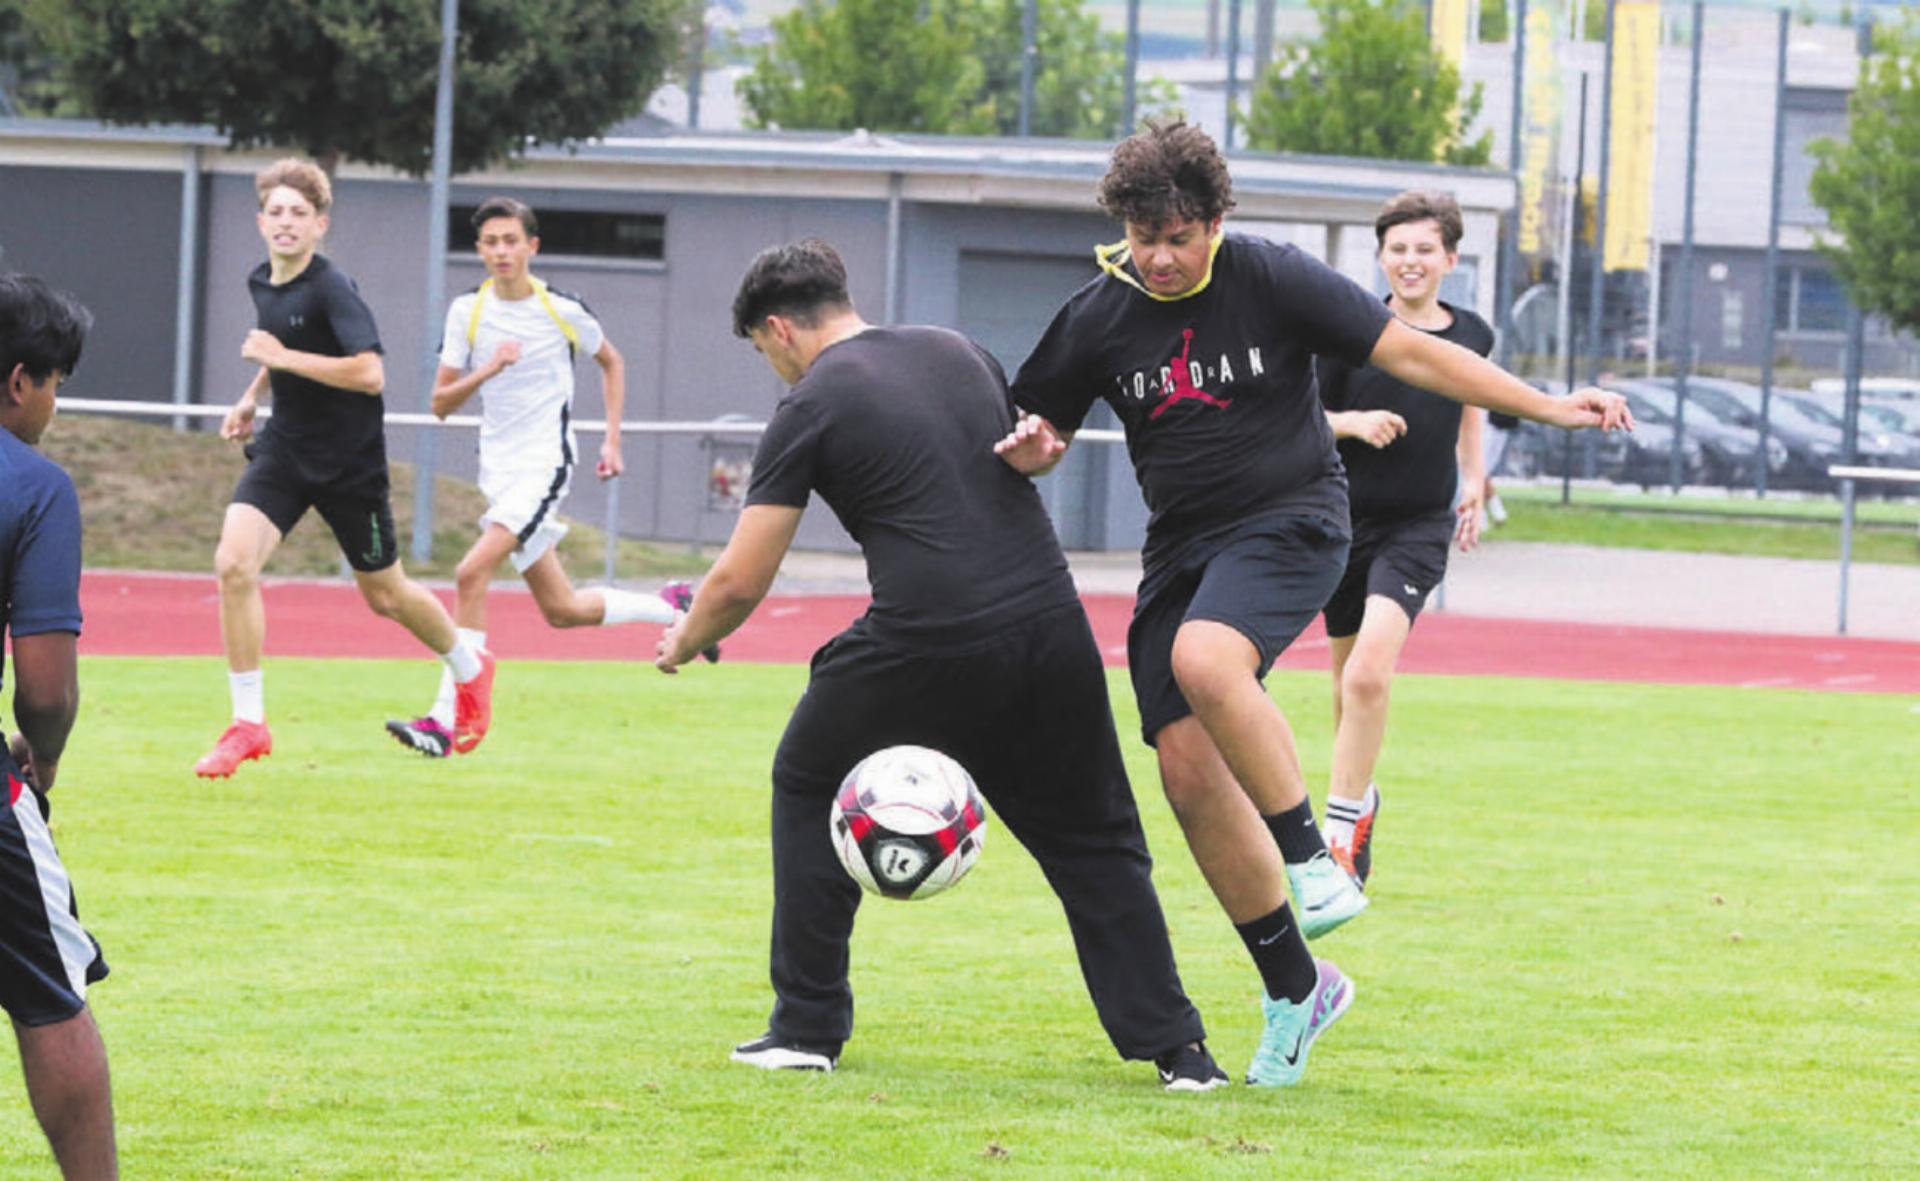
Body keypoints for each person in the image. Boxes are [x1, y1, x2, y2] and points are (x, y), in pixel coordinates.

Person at [996, 121, 1630, 1086]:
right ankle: (1299, 986)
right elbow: (1036, 422)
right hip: (1181, 549)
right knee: (1189, 779)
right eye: (1142, 236)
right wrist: (1035, 449)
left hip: (1294, 516)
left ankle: (1315, 859)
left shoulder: (1271, 277)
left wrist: (1543, 405)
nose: (1161, 258)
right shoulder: (1098, 313)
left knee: (1206, 660)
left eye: (1180, 235)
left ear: (1216, 220)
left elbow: (1414, 356)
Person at [656, 239, 1228, 1092]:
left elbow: (742, 577)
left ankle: (806, 1025)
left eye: (763, 351)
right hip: (1049, 625)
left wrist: (686, 635)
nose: (773, 368)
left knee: (809, 778)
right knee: (1096, 840)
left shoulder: (809, 402)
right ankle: (1180, 1052)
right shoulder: (959, 350)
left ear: (779, 330)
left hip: (924, 639)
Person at [194, 159, 493, 778]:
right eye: (275, 212)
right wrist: (254, 394)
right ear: (260, 221)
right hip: (285, 451)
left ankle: (470, 667)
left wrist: (281, 358)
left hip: (349, 463)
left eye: (298, 214)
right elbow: (282, 344)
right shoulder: (263, 282)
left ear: (319, 225)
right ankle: (248, 722)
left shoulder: (333, 286)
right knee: (233, 563)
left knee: (385, 595)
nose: (285, 222)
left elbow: (368, 371)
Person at [385, 197, 700, 758]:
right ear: (479, 250)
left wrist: (611, 439)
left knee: (469, 571)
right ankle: (677, 607)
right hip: (499, 473)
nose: (501, 251)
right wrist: (491, 366)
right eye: (490, 242)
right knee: (562, 610)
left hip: (544, 465)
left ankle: (446, 715)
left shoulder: (560, 309)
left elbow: (613, 361)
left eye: (511, 240)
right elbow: (439, 404)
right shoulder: (468, 313)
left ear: (532, 246)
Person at [1316, 190, 1492, 885]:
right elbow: (1305, 417)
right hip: (1341, 525)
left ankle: (1335, 835)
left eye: (1424, 249)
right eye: (1398, 249)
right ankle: (1359, 803)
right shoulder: (1350, 331)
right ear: (1381, 257)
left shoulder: (1472, 334)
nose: (1410, 261)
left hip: (1418, 527)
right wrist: (1354, 422)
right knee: (1342, 686)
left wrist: (1474, 477)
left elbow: (1475, 396)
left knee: (1366, 674)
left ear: (1449, 257)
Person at [1, 272, 118, 1179]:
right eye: (54, 383)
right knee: (51, 994)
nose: (53, 404)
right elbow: (47, 690)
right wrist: (39, 771)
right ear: (17, 380)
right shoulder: (35, 486)